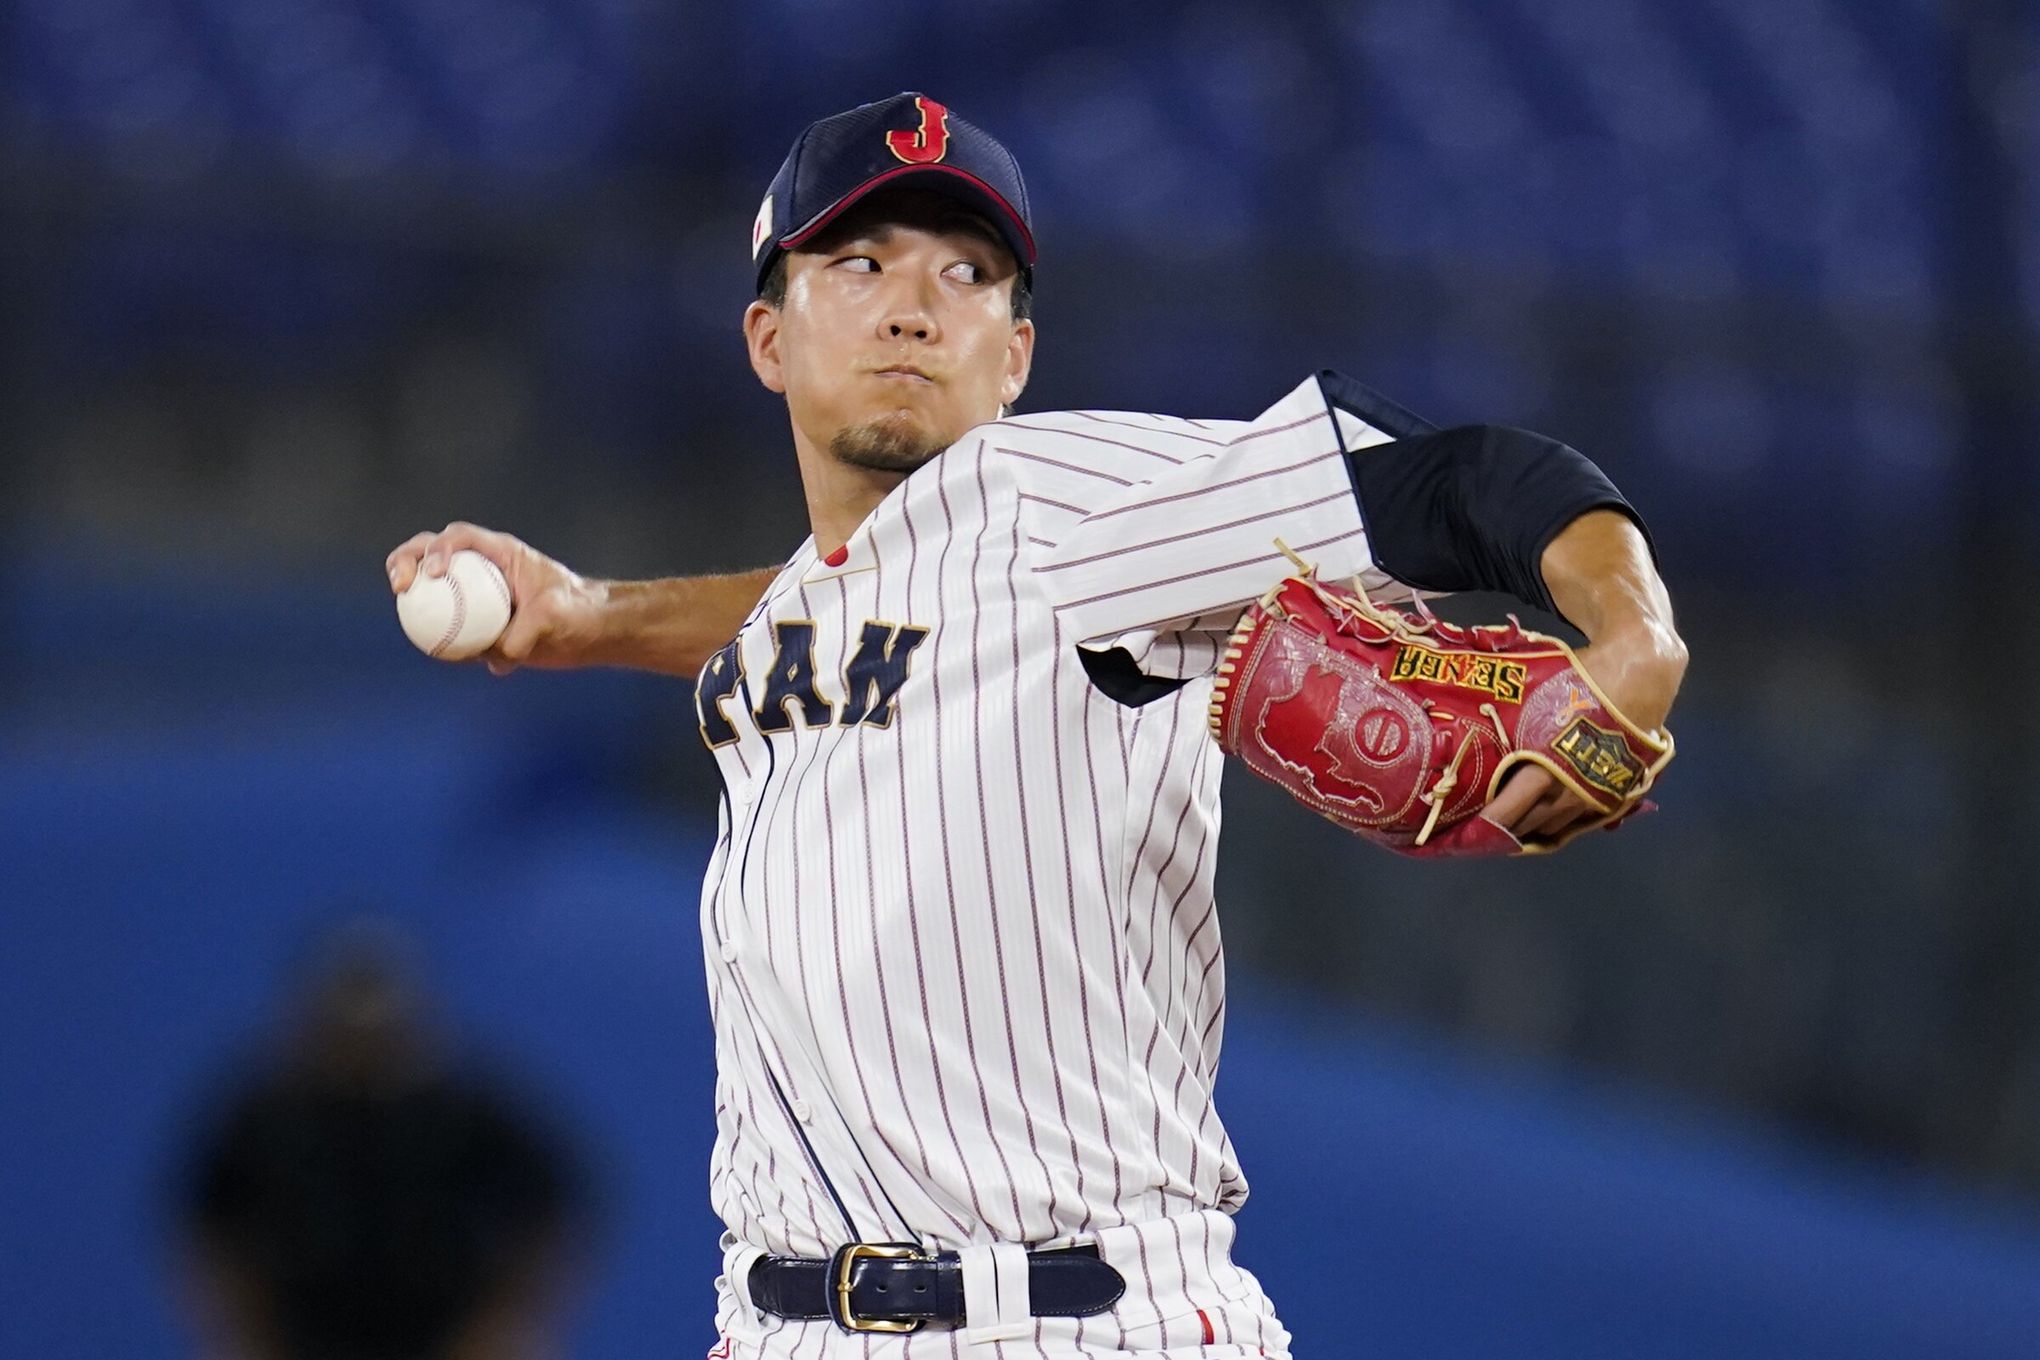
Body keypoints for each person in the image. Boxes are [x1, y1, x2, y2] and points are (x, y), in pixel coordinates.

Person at [386, 92, 1687, 1357]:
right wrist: (587, 616)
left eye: (968, 274)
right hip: (784, 1323)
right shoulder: (832, 597)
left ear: (1015, 357)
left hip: (1079, 1323)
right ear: (768, 339)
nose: (913, 305)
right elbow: (827, 614)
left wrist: (1637, 640)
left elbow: (1477, 481)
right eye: (858, 260)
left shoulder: (1077, 507)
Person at [171, 929, 593, 1360]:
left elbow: (553, 1212)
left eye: (380, 1026)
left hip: (444, 1340)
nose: (362, 1044)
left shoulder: (465, 1112)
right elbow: (208, 1231)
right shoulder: (266, 1117)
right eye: (343, 1024)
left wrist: (507, 1321)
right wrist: (242, 1329)